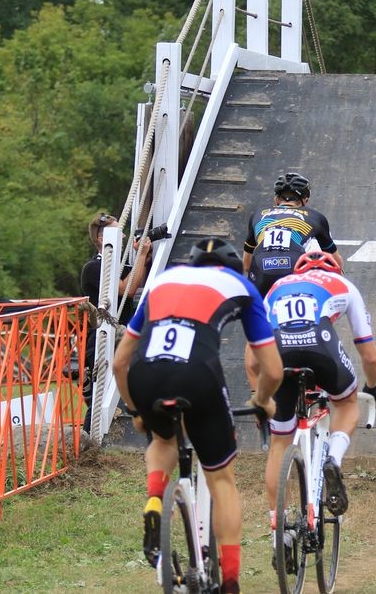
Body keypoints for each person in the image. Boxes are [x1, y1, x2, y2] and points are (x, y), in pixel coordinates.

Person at [113, 238, 281, 594]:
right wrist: (263, 399)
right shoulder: (241, 285)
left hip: (146, 372)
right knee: (221, 480)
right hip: (197, 372)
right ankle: (232, 581)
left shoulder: (162, 280)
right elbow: (273, 369)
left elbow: (118, 362)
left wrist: (135, 410)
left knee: (162, 439)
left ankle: (155, 499)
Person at [261, 251, 376, 522]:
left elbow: (252, 355)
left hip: (279, 352)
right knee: (347, 404)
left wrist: (261, 399)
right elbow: (370, 355)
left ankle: (278, 529)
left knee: (279, 443)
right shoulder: (344, 285)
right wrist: (372, 387)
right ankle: (334, 460)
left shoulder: (277, 288)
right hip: (320, 343)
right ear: (335, 271)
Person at [80, 211, 153, 431]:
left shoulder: (120, 266)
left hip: (122, 333)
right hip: (101, 338)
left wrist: (145, 259)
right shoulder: (93, 268)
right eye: (117, 232)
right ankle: (88, 443)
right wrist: (140, 257)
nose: (122, 237)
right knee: (97, 398)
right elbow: (127, 290)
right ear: (102, 239)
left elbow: (139, 281)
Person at [241, 172, 341, 298]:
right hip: (293, 266)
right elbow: (336, 263)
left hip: (261, 268)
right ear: (304, 200)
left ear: (276, 199)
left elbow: (246, 264)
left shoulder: (257, 215)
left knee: (258, 313)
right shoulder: (316, 216)